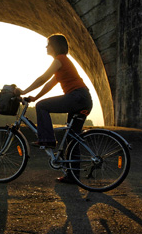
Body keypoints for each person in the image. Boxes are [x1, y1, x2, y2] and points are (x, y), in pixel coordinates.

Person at [20, 34, 93, 183]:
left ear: (55, 46)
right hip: (83, 99)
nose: (46, 47)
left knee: (42, 106)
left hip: (77, 96)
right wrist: (35, 97)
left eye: (48, 44)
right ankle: (73, 177)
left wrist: (23, 91)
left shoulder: (59, 59)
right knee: (72, 139)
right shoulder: (62, 63)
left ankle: (46, 139)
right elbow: (49, 84)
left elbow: (42, 78)